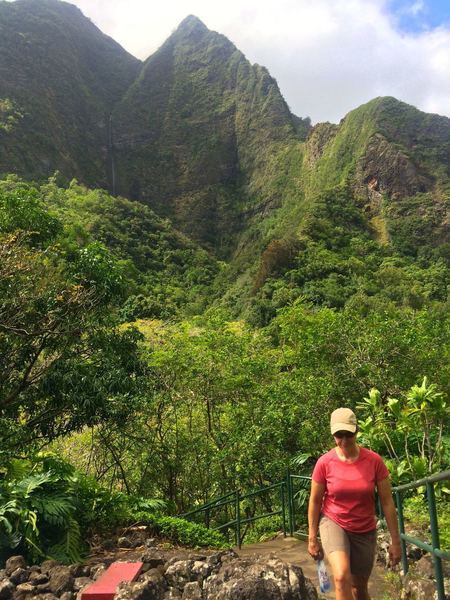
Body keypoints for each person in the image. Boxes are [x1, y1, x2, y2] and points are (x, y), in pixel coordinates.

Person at [307, 407, 401, 600]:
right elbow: (315, 501)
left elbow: (387, 502)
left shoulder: (374, 461)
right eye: (338, 435)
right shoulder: (324, 463)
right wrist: (312, 537)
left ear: (356, 431)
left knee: (359, 587)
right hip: (334, 522)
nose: (343, 441)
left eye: (347, 434)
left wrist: (396, 541)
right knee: (341, 577)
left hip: (364, 528)